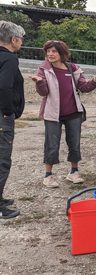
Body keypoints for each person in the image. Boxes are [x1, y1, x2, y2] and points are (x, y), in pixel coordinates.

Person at [30, 41, 96, 188]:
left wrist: (94, 81)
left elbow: (83, 87)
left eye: (53, 51)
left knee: (74, 144)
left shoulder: (72, 68)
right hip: (52, 114)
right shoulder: (43, 68)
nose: (50, 54)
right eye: (48, 51)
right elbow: (43, 92)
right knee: (51, 145)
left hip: (73, 113)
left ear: (62, 54)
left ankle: (74, 172)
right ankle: (48, 176)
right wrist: (39, 82)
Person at [0, 21, 25, 219]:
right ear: (13, 39)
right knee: (2, 161)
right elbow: (4, 87)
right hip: (2, 118)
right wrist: (8, 111)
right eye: (21, 38)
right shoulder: (9, 58)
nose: (21, 42)